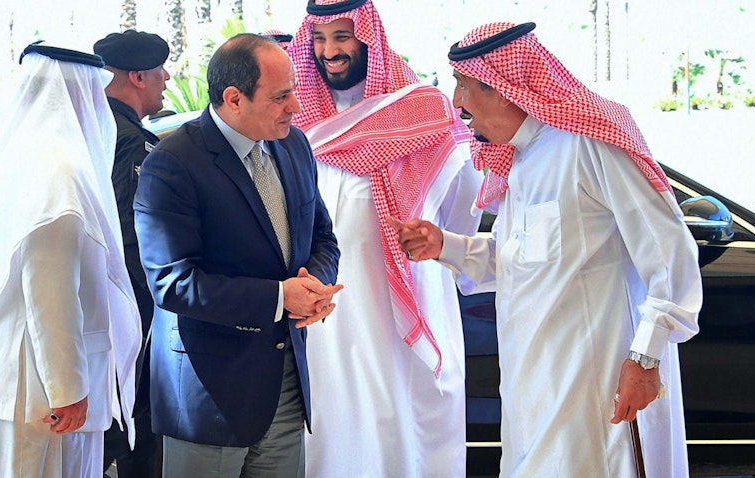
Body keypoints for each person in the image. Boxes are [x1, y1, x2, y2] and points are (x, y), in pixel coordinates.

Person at [392, 22, 703, 477]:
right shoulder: (519, 157)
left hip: (597, 381)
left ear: (501, 87)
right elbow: (524, 259)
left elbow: (670, 252)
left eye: (462, 85)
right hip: (533, 382)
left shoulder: (591, 142)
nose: (456, 103)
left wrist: (646, 358)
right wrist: (447, 247)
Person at [286, 1, 482, 476]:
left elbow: (465, 199)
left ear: (368, 37)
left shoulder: (422, 108)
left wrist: (431, 243)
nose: (329, 51)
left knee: (401, 412)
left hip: (404, 291)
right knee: (332, 416)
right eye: (319, 38)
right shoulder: (293, 120)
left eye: (342, 36)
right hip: (322, 300)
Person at [133, 33, 342, 477]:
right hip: (210, 395)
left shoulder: (294, 145)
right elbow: (172, 282)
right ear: (234, 99)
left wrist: (315, 286)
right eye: (281, 96)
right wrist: (280, 298)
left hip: (285, 381)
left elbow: (322, 235)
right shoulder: (173, 162)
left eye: (294, 92)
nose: (296, 107)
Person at [0, 42, 142, 477]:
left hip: (8, 374)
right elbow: (50, 290)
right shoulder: (58, 173)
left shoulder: (8, 161)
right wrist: (66, 388)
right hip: (38, 392)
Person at [93, 29, 170, 478]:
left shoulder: (95, 128)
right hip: (129, 317)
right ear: (139, 76)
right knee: (133, 437)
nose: (166, 77)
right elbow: (133, 238)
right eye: (160, 68)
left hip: (96, 318)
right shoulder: (130, 142)